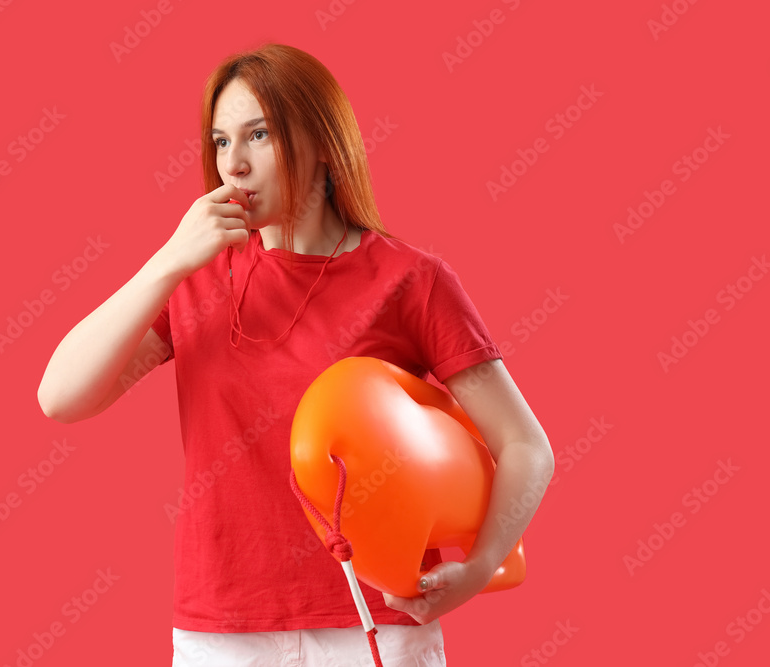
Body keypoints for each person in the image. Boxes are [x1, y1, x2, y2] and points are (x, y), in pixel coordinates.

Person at [37, 43, 554, 667]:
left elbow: (526, 446)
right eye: (221, 141)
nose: (235, 164)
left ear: (321, 142)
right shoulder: (195, 281)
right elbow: (60, 397)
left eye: (259, 134)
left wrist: (478, 569)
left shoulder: (409, 281)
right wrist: (168, 261)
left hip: (377, 624)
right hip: (222, 632)